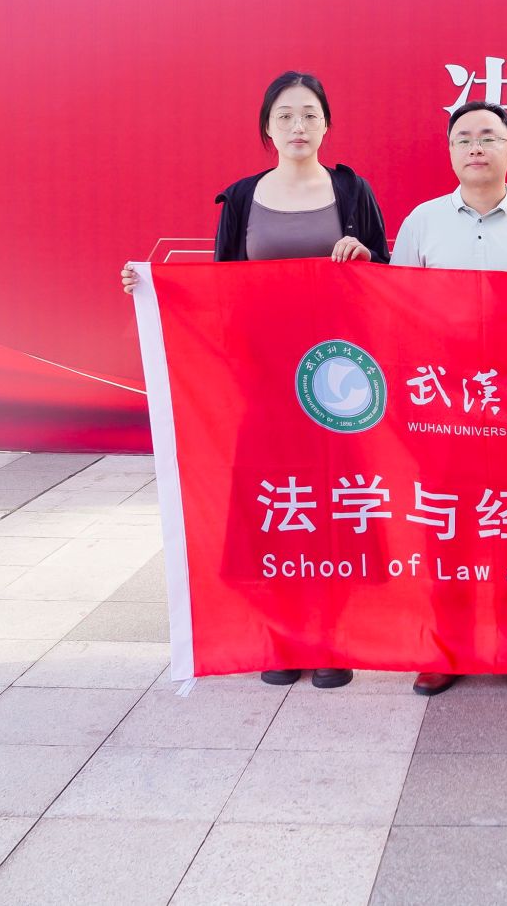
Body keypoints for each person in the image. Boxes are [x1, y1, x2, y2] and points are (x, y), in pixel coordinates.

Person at [122, 69, 387, 691]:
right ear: (267, 127)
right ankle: (281, 634)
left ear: (327, 124)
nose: (299, 126)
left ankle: (330, 634)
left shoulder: (352, 192)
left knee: (332, 499)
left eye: (310, 115)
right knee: (273, 500)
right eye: (285, 116)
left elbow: (389, 279)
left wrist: (366, 258)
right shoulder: (244, 197)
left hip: (336, 380)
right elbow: (221, 289)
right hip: (264, 379)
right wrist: (153, 289)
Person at [393, 99, 507, 700]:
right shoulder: (422, 223)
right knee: (445, 525)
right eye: (464, 138)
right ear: (451, 152)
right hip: (442, 403)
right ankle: (446, 646)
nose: (476, 147)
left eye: (489, 137)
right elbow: (397, 312)